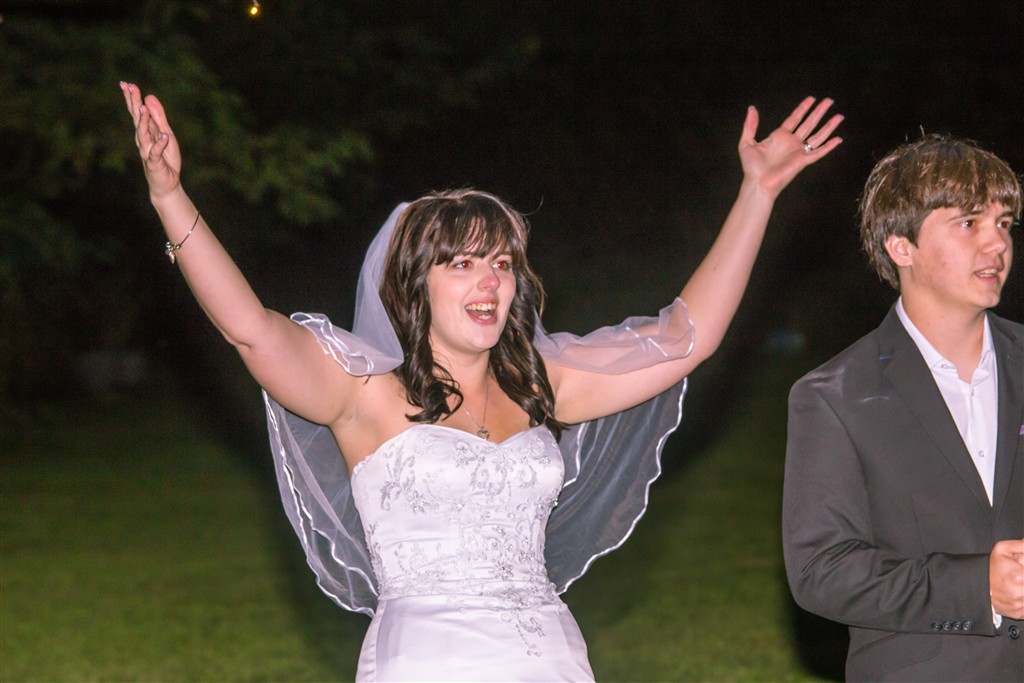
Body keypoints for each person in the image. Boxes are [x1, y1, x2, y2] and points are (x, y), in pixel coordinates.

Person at [122, 80, 842, 682]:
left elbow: (688, 337)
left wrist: (757, 193)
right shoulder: (363, 394)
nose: (490, 281)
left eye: (500, 263)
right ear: (415, 286)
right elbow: (251, 328)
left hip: (550, 659)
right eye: (462, 263)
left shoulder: (543, 385)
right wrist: (170, 196)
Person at [783, 134, 1023, 682]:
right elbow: (822, 571)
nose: (997, 244)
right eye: (969, 223)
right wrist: (976, 588)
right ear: (901, 247)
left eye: (1004, 223)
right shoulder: (835, 396)